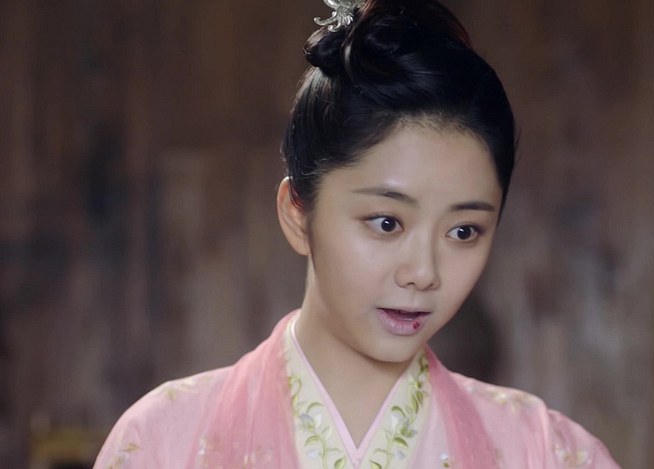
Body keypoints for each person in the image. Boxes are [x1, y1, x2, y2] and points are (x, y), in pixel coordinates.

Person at [94, 0, 621, 467]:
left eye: (463, 231)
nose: (424, 273)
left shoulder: (549, 453)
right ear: (297, 213)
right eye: (387, 222)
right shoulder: (161, 443)